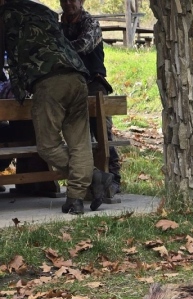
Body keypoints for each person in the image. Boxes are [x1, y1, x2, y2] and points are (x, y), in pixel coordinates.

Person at [0, 0, 114, 213]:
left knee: (47, 146)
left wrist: (17, 87)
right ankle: (75, 200)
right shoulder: (45, 12)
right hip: (78, 76)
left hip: (48, 80)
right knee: (79, 143)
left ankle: (96, 176)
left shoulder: (4, 15)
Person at [59, 0, 121, 194]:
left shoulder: (90, 23)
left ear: (82, 1)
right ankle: (85, 177)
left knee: (102, 130)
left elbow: (82, 47)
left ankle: (114, 177)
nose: (68, 3)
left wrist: (57, 49)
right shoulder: (58, 25)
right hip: (69, 83)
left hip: (93, 81)